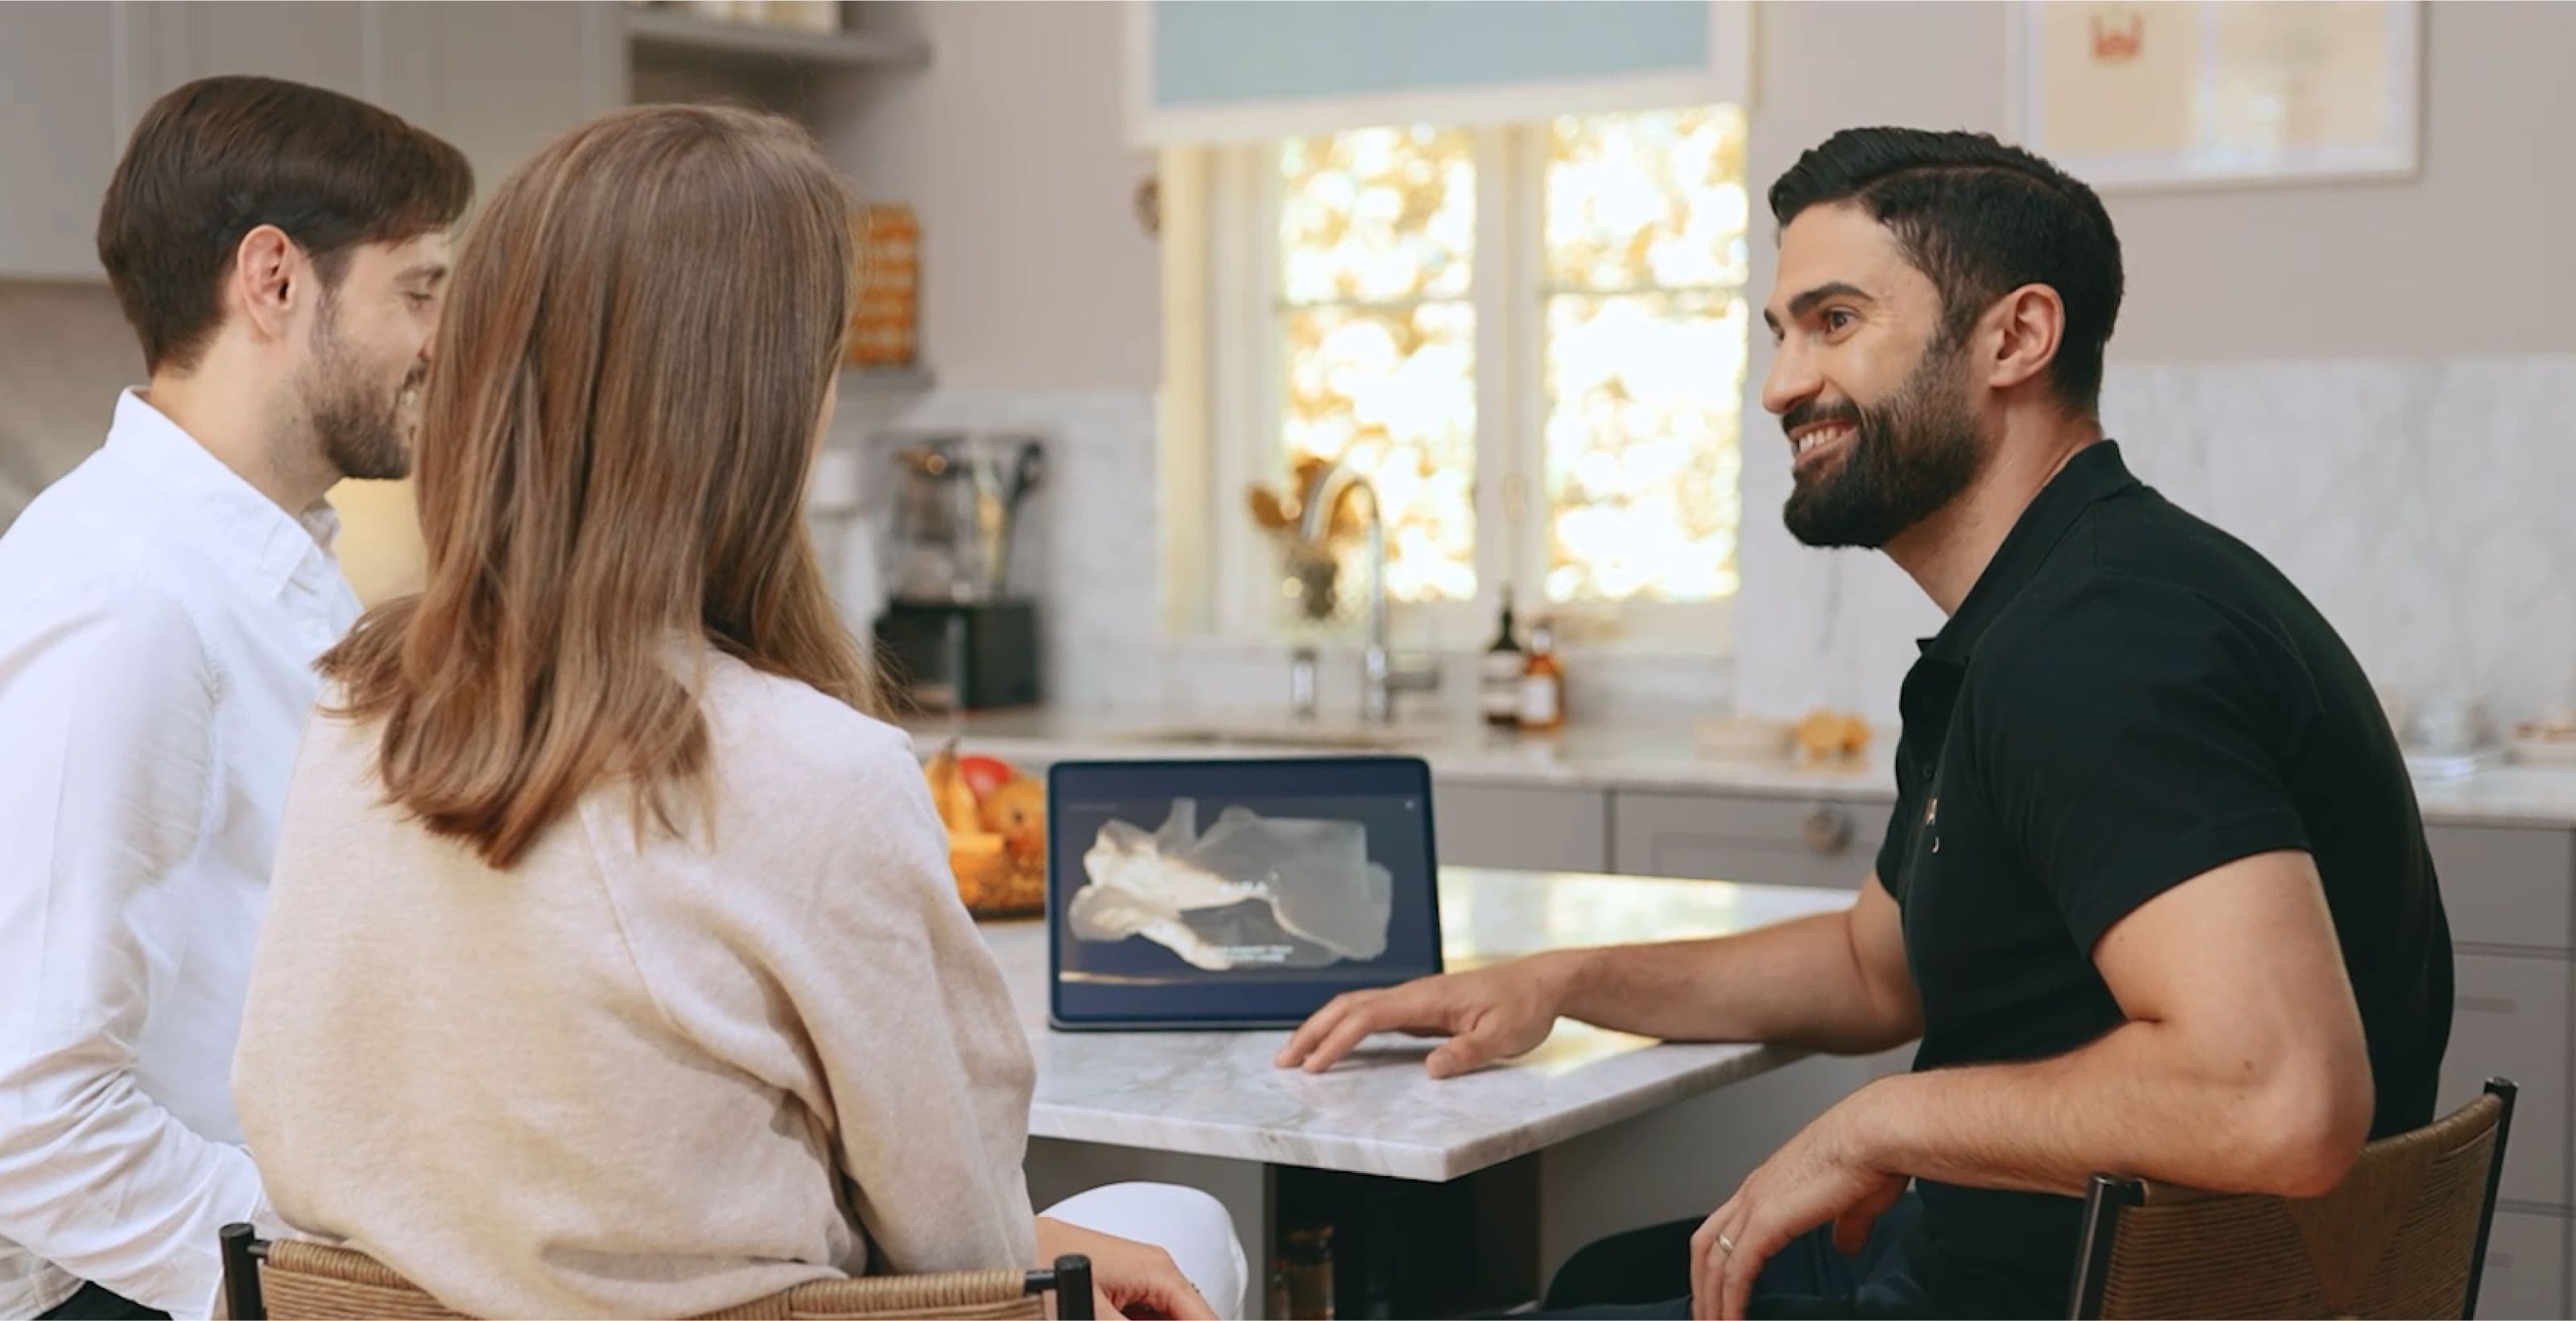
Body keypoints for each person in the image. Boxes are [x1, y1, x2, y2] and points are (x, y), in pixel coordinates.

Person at [1276, 127, 2452, 1320]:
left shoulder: (2096, 644)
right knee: (1599, 1277)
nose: (1782, 384)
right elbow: (1869, 966)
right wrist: (1560, 978)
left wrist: (1880, 1119)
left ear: (2016, 337)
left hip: (2052, 1299)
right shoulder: (2040, 612)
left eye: (1834, 321)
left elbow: (2279, 1098)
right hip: (1979, 1257)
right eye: (1780, 333)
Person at [229, 104, 1244, 1321]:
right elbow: (962, 1240)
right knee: (1190, 1225)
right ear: (766, 412)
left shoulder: (353, 716)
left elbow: (302, 1136)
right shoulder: (816, 770)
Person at [0, 76, 471, 1321]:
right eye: (420, 290)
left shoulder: (269, 564)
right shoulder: (126, 596)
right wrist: (331, 1291)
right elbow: (29, 1116)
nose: (444, 340)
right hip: (156, 1296)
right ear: (273, 281)